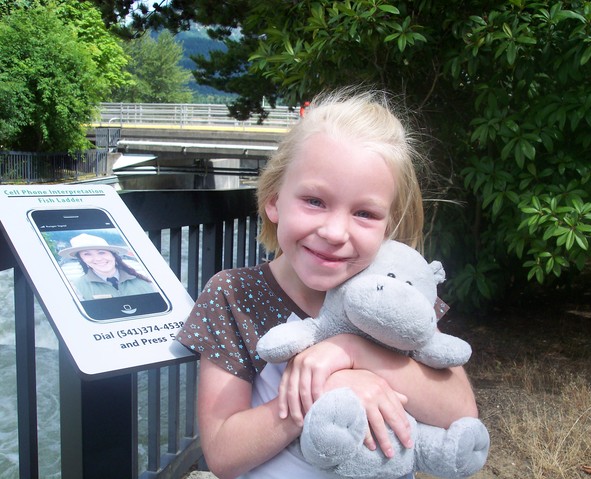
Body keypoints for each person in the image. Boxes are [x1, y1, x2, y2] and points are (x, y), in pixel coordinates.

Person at [176, 87, 478, 479]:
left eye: (365, 213)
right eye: (315, 201)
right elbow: (222, 452)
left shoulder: (394, 291)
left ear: (390, 224)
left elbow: (460, 410)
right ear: (273, 200)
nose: (335, 232)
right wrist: (330, 389)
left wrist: (354, 352)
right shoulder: (234, 294)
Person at [58, 233, 155, 300]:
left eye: (101, 252)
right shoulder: (76, 288)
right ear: (82, 259)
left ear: (113, 255)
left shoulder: (146, 280)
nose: (97, 259)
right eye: (87, 254)